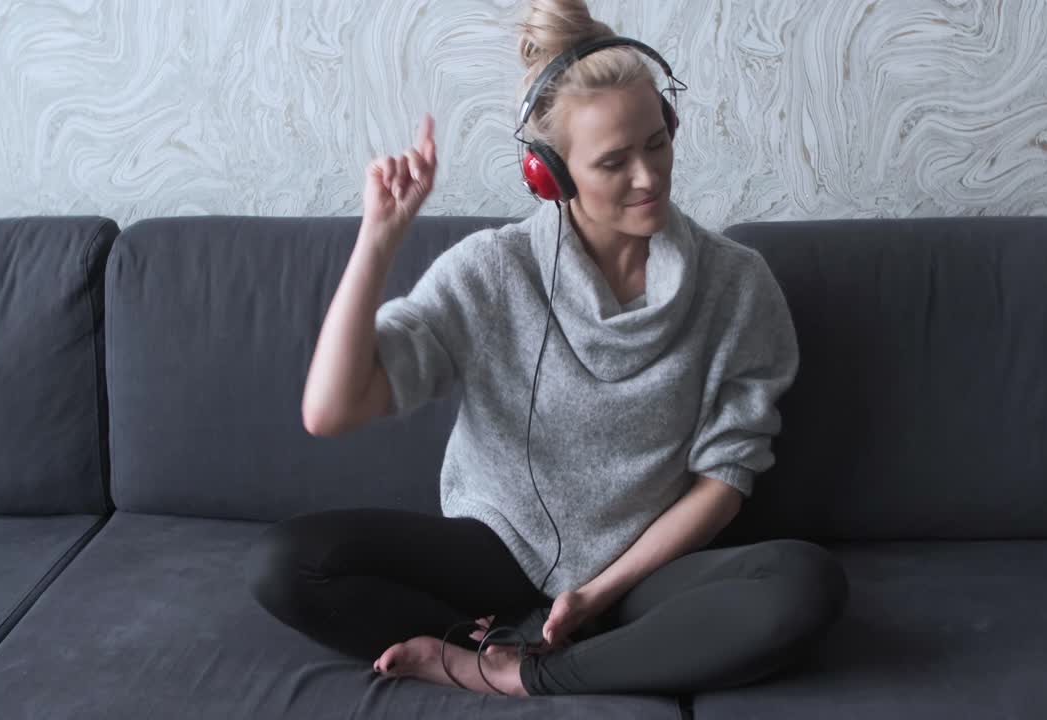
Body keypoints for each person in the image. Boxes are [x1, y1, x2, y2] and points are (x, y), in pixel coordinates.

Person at [247, 0, 848, 697]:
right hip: (495, 556)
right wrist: (378, 240)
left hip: (640, 579)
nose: (649, 177)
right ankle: (539, 653)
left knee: (805, 582)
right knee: (286, 564)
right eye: (614, 162)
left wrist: (593, 594)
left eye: (657, 143)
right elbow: (331, 410)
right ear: (548, 175)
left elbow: (724, 484)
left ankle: (517, 671)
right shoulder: (492, 271)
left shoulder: (738, 285)